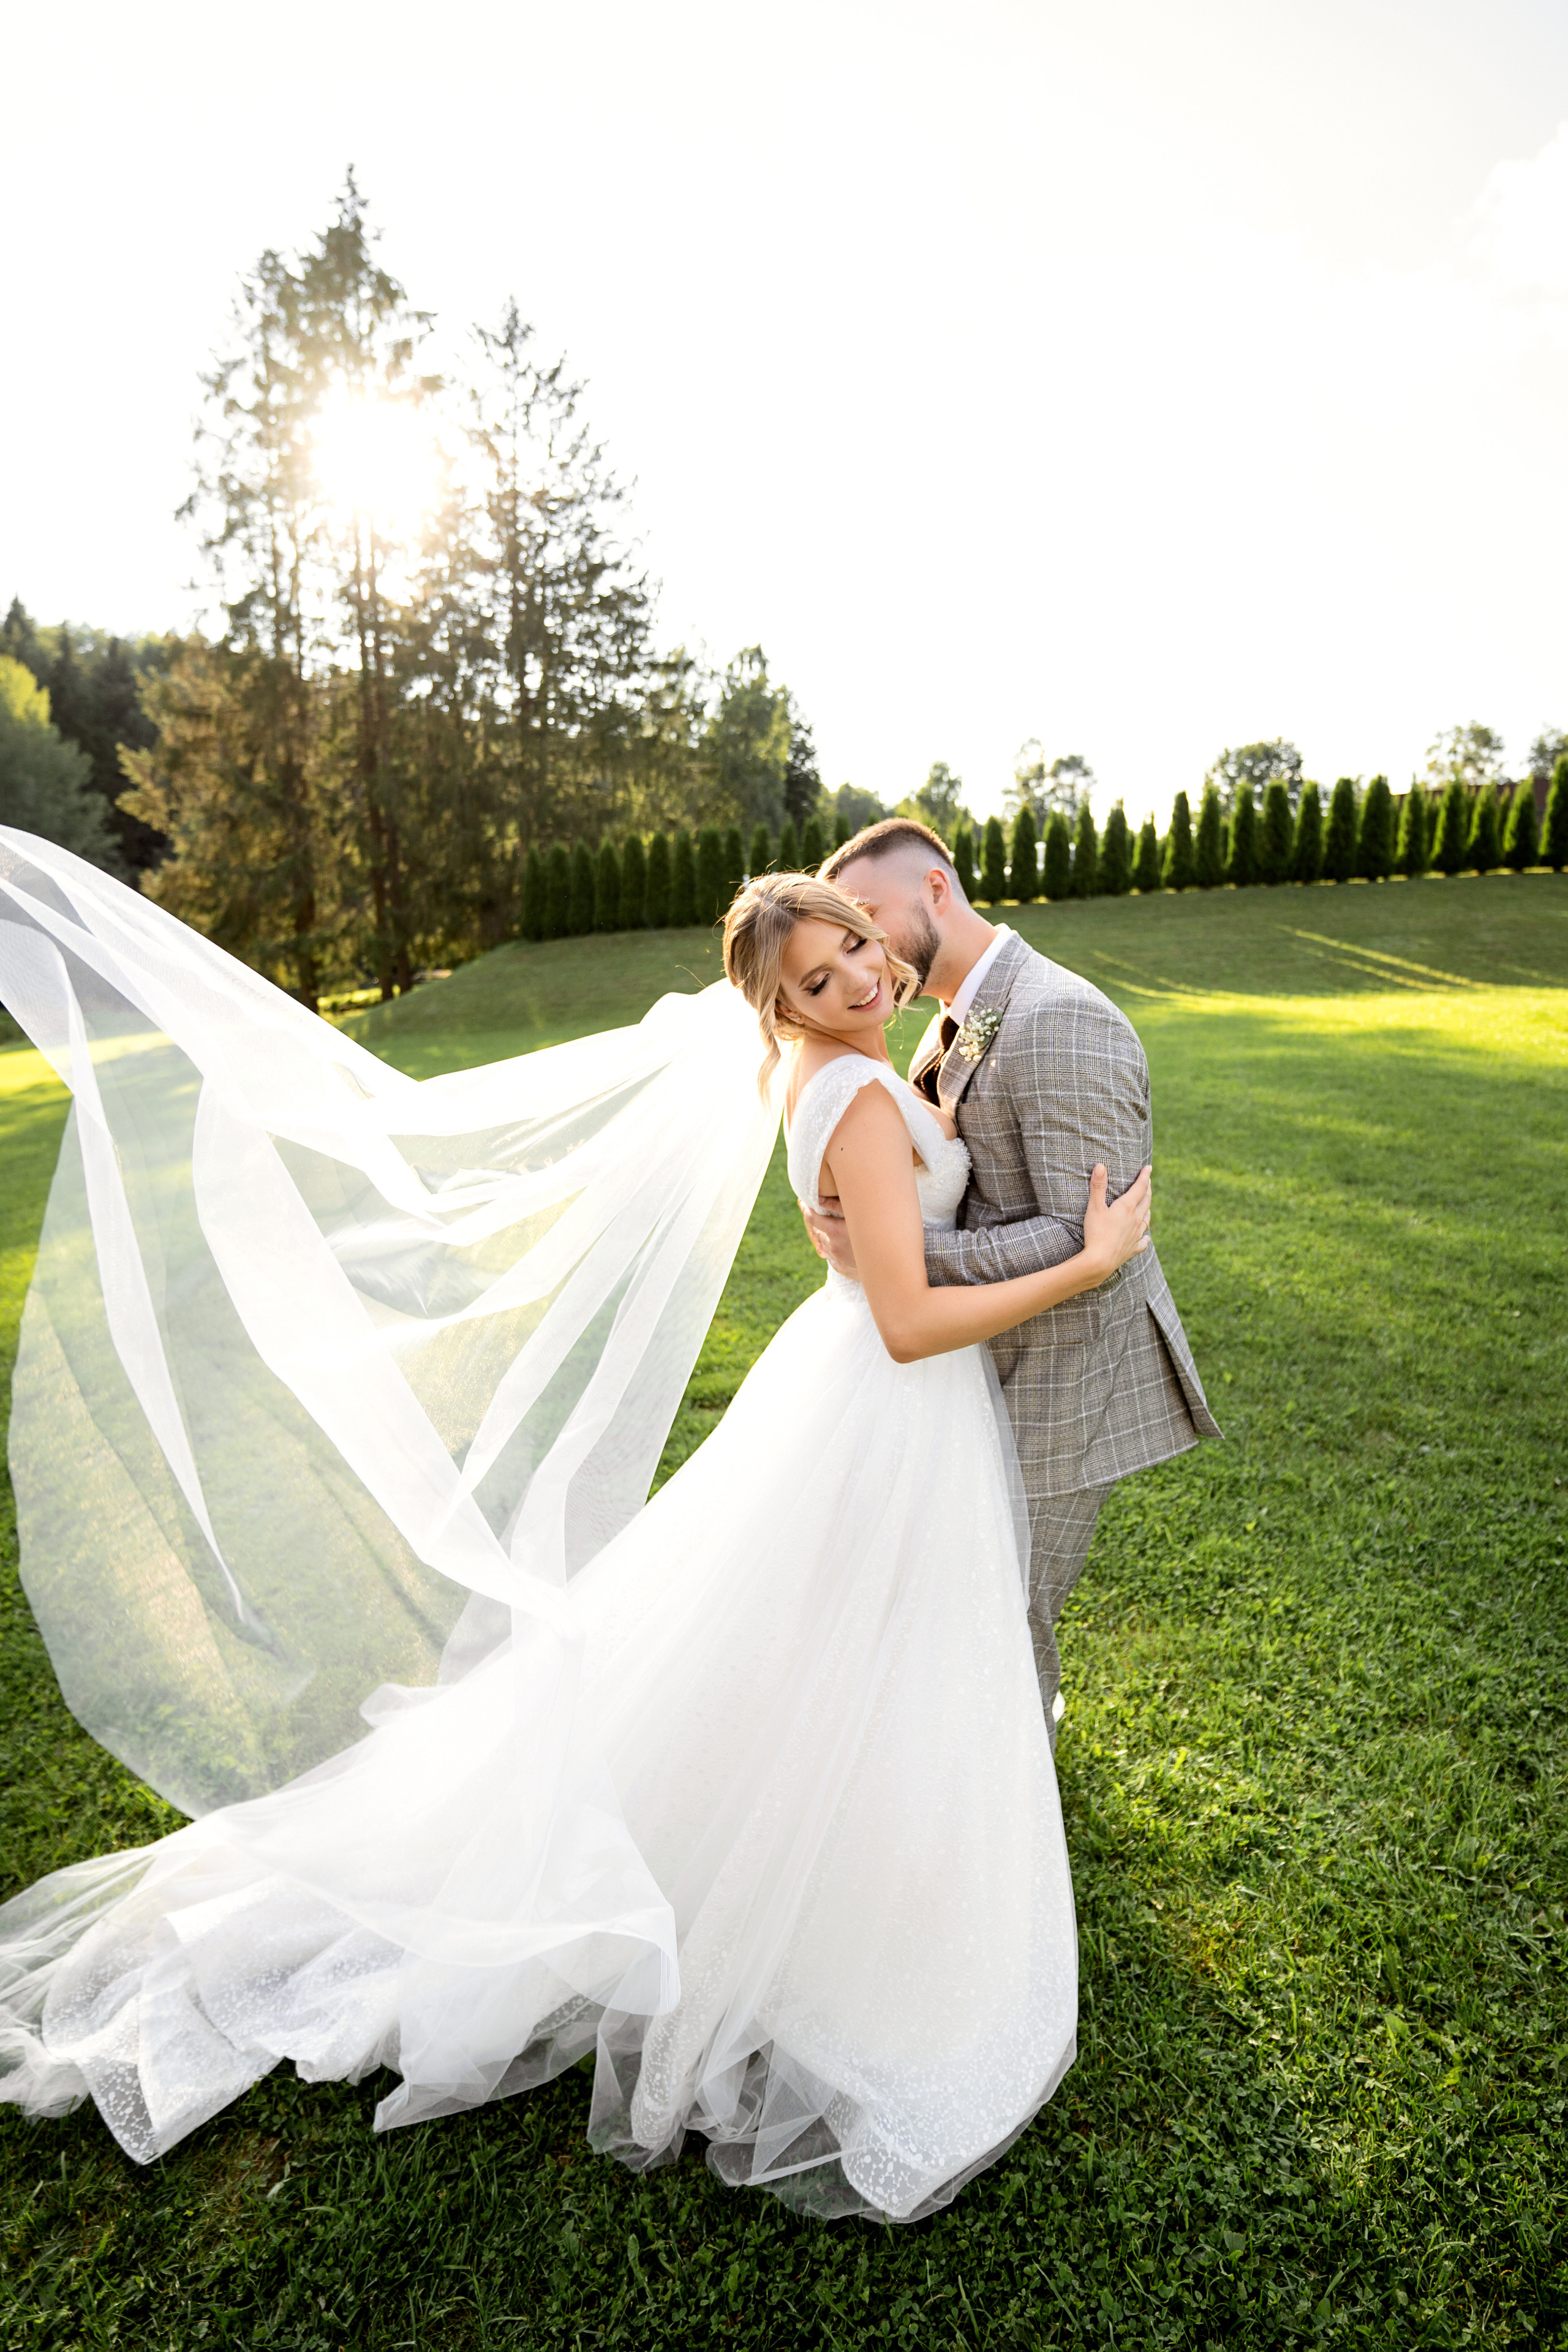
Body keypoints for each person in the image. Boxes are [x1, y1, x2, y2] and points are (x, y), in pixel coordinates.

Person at [0, 837, 1148, 2222]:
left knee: (813, 1653)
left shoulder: (818, 1071)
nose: (853, 971)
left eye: (852, 941)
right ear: (778, 1008)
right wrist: (1087, 1259)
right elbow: (907, 1320)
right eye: (817, 970)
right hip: (884, 1401)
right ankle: (826, 1929)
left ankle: (808, 1866)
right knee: (866, 1648)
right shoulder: (848, 1092)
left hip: (839, 1389)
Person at [804, 819, 1218, 1734]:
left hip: (1067, 1373)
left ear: (937, 891)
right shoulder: (940, 1029)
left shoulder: (1060, 1018)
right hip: (976, 1362)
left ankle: (1006, 1803)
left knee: (1008, 1599)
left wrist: (897, 1261)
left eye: (867, 917)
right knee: (963, 1592)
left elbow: (1089, 1241)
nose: (864, 947)